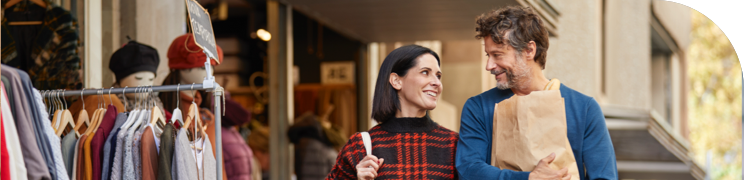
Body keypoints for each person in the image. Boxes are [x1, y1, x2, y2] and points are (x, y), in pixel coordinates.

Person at [455, 6, 618, 180]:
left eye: (497, 55)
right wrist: (529, 178)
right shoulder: (478, 107)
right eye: (488, 55)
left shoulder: (584, 109)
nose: (489, 66)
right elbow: (468, 170)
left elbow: (604, 176)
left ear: (529, 50)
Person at [326, 45, 459, 180]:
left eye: (438, 76)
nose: (437, 82)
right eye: (425, 72)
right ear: (396, 81)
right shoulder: (361, 146)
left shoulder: (454, 144)